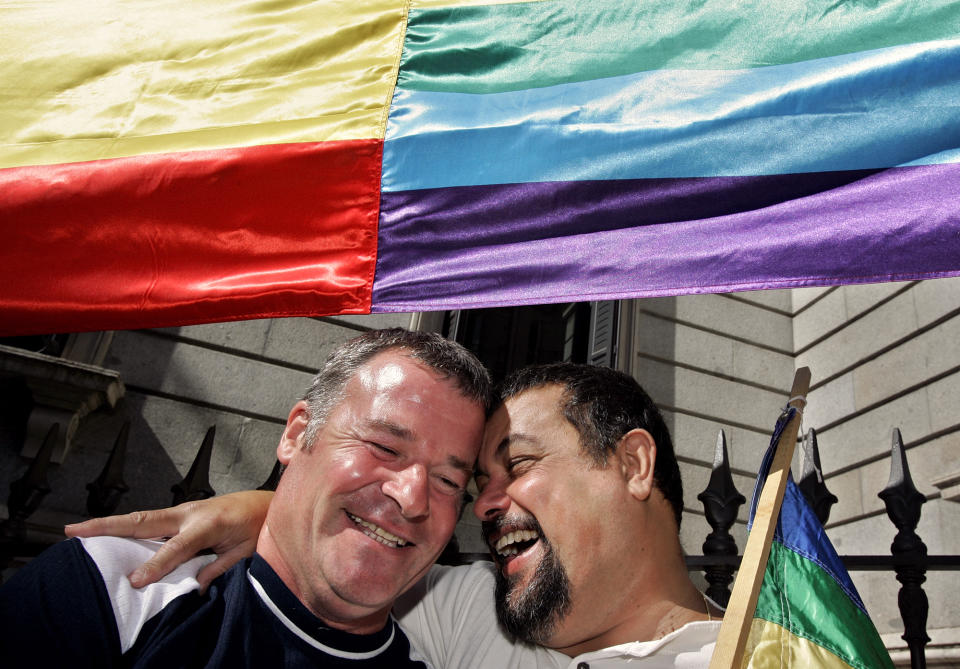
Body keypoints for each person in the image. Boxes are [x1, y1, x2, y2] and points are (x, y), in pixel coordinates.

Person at [68, 361, 723, 667]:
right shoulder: (470, 611)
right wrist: (273, 506)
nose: (486, 505)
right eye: (473, 483)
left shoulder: (778, 656)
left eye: (518, 465)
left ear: (633, 465)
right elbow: (356, 553)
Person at [0, 328, 490, 668]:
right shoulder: (117, 590)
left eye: (449, 481)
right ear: (298, 434)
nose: (413, 498)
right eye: (384, 447)